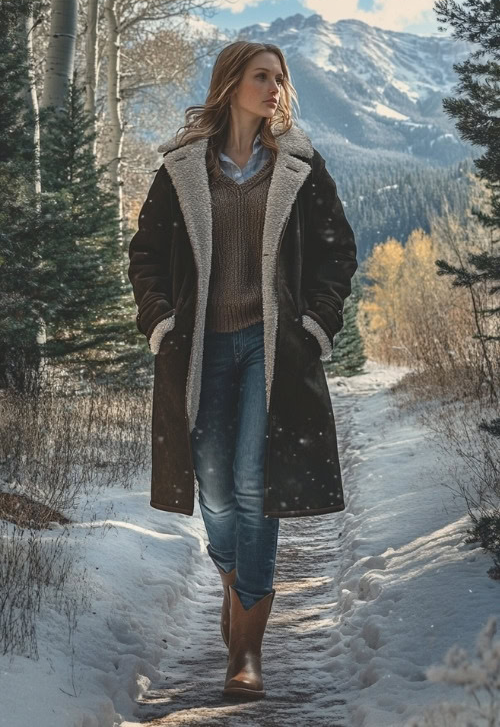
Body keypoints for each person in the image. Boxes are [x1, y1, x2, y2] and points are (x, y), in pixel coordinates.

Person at [127, 40, 358, 700]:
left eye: (281, 78)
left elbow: (337, 253)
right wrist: (162, 323)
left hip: (271, 347)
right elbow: (144, 254)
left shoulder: (302, 168)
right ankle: (235, 580)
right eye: (263, 77)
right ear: (232, 84)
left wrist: (314, 326)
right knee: (216, 489)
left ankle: (247, 652)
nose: (275, 88)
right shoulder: (180, 169)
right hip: (200, 347)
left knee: (258, 484)